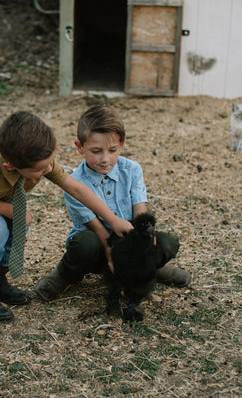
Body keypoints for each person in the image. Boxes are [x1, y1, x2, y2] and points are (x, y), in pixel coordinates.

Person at [0, 111, 133, 322]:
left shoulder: (38, 157)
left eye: (50, 163)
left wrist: (113, 220)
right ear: (11, 166)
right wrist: (11, 210)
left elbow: (76, 189)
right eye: (41, 169)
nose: (48, 169)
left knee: (18, 225)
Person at [34, 105, 191, 302]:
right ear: (79, 147)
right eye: (96, 151)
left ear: (122, 144)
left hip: (129, 242)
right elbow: (99, 231)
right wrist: (110, 256)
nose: (105, 159)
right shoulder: (74, 182)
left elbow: (140, 213)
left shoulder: (132, 170)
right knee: (84, 245)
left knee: (167, 242)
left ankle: (151, 269)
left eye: (112, 150)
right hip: (98, 245)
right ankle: (66, 274)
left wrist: (143, 246)